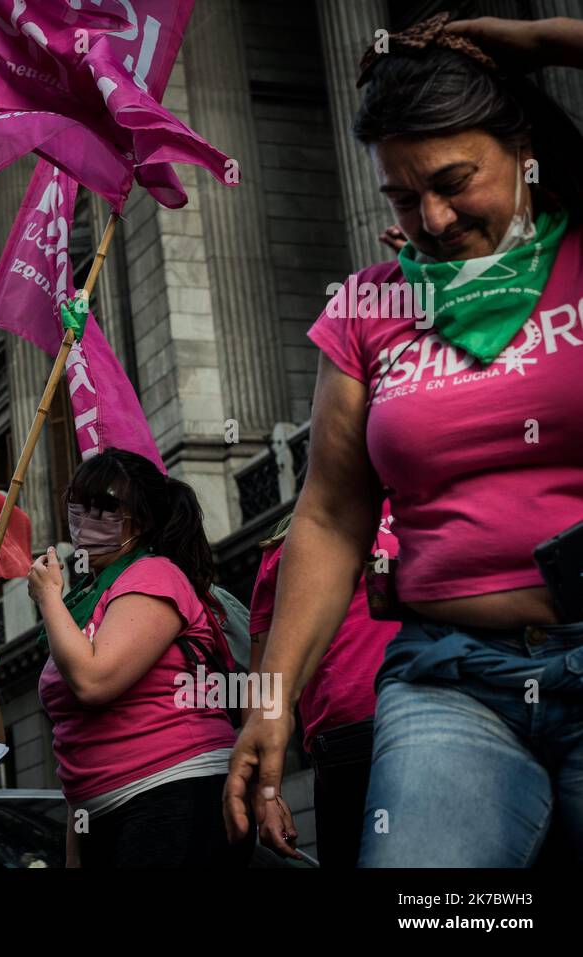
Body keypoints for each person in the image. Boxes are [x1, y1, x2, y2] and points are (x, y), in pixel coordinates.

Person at [224, 14, 583, 867]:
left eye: (456, 181)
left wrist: (542, 41)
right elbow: (330, 518)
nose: (432, 217)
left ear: (522, 147)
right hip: (451, 680)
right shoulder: (366, 308)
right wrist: (271, 702)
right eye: (400, 196)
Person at [31, 448, 253, 868]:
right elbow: (73, 736)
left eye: (107, 508)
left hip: (174, 792)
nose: (87, 519)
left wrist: (47, 597)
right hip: (102, 811)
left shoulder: (154, 575)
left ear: (143, 520)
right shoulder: (86, 601)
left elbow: (94, 682)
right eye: (80, 505)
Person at [247, 506, 399, 867]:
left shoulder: (422, 501)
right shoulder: (286, 545)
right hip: (347, 747)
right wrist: (267, 792)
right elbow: (262, 683)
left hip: (442, 722)